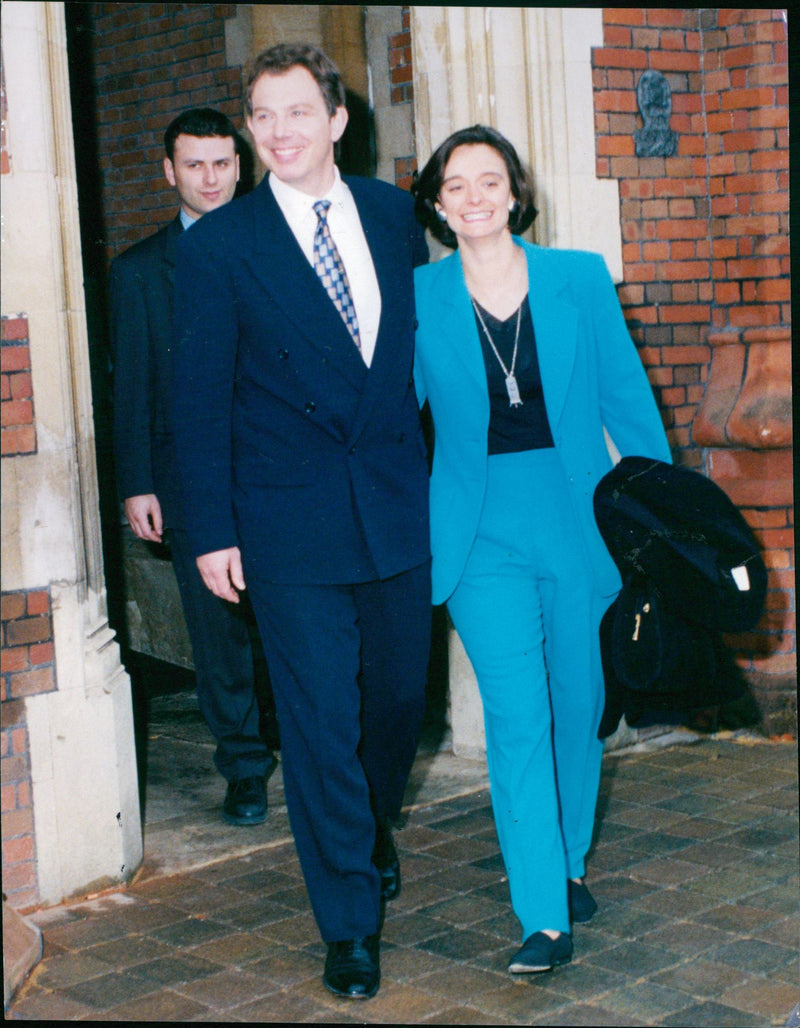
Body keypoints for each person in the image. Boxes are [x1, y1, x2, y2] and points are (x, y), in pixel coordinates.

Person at [170, 45, 431, 1000]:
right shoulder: (219, 246)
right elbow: (197, 399)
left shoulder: (392, 215)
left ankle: (365, 828)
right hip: (286, 521)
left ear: (336, 120)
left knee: (402, 699)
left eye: (294, 112)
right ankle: (350, 922)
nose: (276, 132)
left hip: (398, 505)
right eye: (261, 116)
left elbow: (422, 357)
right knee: (319, 720)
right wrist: (211, 529)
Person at [411, 125, 672, 975]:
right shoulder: (418, 298)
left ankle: (566, 859)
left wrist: (658, 523)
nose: (476, 197)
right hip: (478, 526)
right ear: (438, 204)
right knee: (518, 716)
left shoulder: (577, 278)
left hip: (578, 518)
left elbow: (627, 406)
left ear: (516, 194)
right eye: (458, 185)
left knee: (579, 702)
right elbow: (384, 427)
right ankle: (543, 916)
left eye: (491, 181)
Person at [110, 107, 278, 829]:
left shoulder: (278, 250)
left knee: (293, 618)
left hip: (278, 470)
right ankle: (244, 765)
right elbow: (132, 382)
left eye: (222, 162)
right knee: (218, 628)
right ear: (169, 172)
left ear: (241, 166)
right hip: (186, 478)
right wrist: (136, 481)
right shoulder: (140, 272)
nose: (210, 178)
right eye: (194, 165)